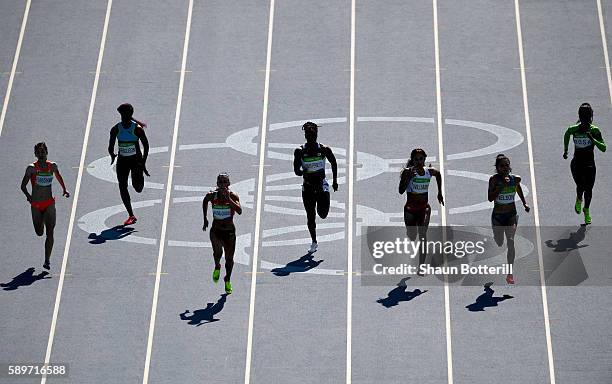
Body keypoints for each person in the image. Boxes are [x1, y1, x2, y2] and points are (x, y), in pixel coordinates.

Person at [21, 142, 70, 270]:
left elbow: (59, 177)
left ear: (47, 152)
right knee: (39, 232)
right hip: (36, 205)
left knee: (50, 232)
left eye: (43, 152)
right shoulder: (31, 168)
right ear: (35, 154)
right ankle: (41, 220)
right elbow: (23, 186)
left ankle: (47, 260)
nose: (41, 154)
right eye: (39, 152)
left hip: (49, 203)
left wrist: (64, 189)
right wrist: (29, 197)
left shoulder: (52, 166)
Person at [293, 121, 338, 254]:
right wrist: (303, 172)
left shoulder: (323, 149)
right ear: (305, 136)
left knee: (322, 214)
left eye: (314, 135)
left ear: (317, 135)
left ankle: (326, 195)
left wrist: (335, 181)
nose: (312, 138)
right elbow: (296, 171)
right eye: (309, 135)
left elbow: (334, 162)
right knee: (310, 216)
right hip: (307, 188)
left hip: (321, 186)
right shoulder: (300, 151)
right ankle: (314, 241)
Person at [398, 148, 443, 274]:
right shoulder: (408, 172)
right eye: (416, 159)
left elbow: (438, 175)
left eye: (421, 159)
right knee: (412, 237)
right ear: (412, 160)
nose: (419, 161)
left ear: (424, 159)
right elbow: (401, 191)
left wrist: (439, 193)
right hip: (410, 210)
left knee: (423, 236)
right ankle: (410, 232)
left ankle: (421, 267)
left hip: (424, 208)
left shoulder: (429, 172)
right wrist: (408, 179)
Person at [487, 154, 530, 284]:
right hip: (498, 217)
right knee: (500, 242)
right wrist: (501, 187)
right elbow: (490, 198)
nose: (505, 168)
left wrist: (524, 203)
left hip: (511, 215)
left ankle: (510, 273)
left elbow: (518, 188)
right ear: (497, 168)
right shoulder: (493, 180)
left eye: (507, 165)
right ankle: (497, 236)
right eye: (502, 166)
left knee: (510, 241)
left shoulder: (515, 179)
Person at [563, 103, 606, 225]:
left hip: (590, 165)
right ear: (579, 117)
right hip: (576, 163)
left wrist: (592, 139)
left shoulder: (595, 130)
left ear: (591, 117)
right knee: (581, 186)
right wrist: (565, 150)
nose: (585, 119)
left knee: (589, 189)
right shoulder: (574, 129)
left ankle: (586, 209)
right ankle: (578, 199)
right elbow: (566, 134)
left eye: (586, 117)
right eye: (583, 117)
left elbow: (603, 148)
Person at [108, 103, 149, 225]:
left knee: (138, 188)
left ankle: (139, 177)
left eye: (126, 116)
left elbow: (146, 147)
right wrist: (112, 155)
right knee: (122, 186)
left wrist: (143, 163)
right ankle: (131, 215)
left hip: (135, 161)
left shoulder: (137, 129)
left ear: (129, 115)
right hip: (122, 161)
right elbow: (110, 147)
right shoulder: (116, 129)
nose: (123, 118)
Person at [202, 173, 242, 294]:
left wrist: (229, 199)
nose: (223, 185)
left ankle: (227, 279)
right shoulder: (212, 196)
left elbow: (239, 211)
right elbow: (204, 201)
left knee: (229, 259)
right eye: (221, 182)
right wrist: (205, 218)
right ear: (217, 184)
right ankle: (217, 266)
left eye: (225, 182)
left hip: (229, 232)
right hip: (216, 231)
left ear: (229, 183)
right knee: (217, 253)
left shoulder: (233, 196)